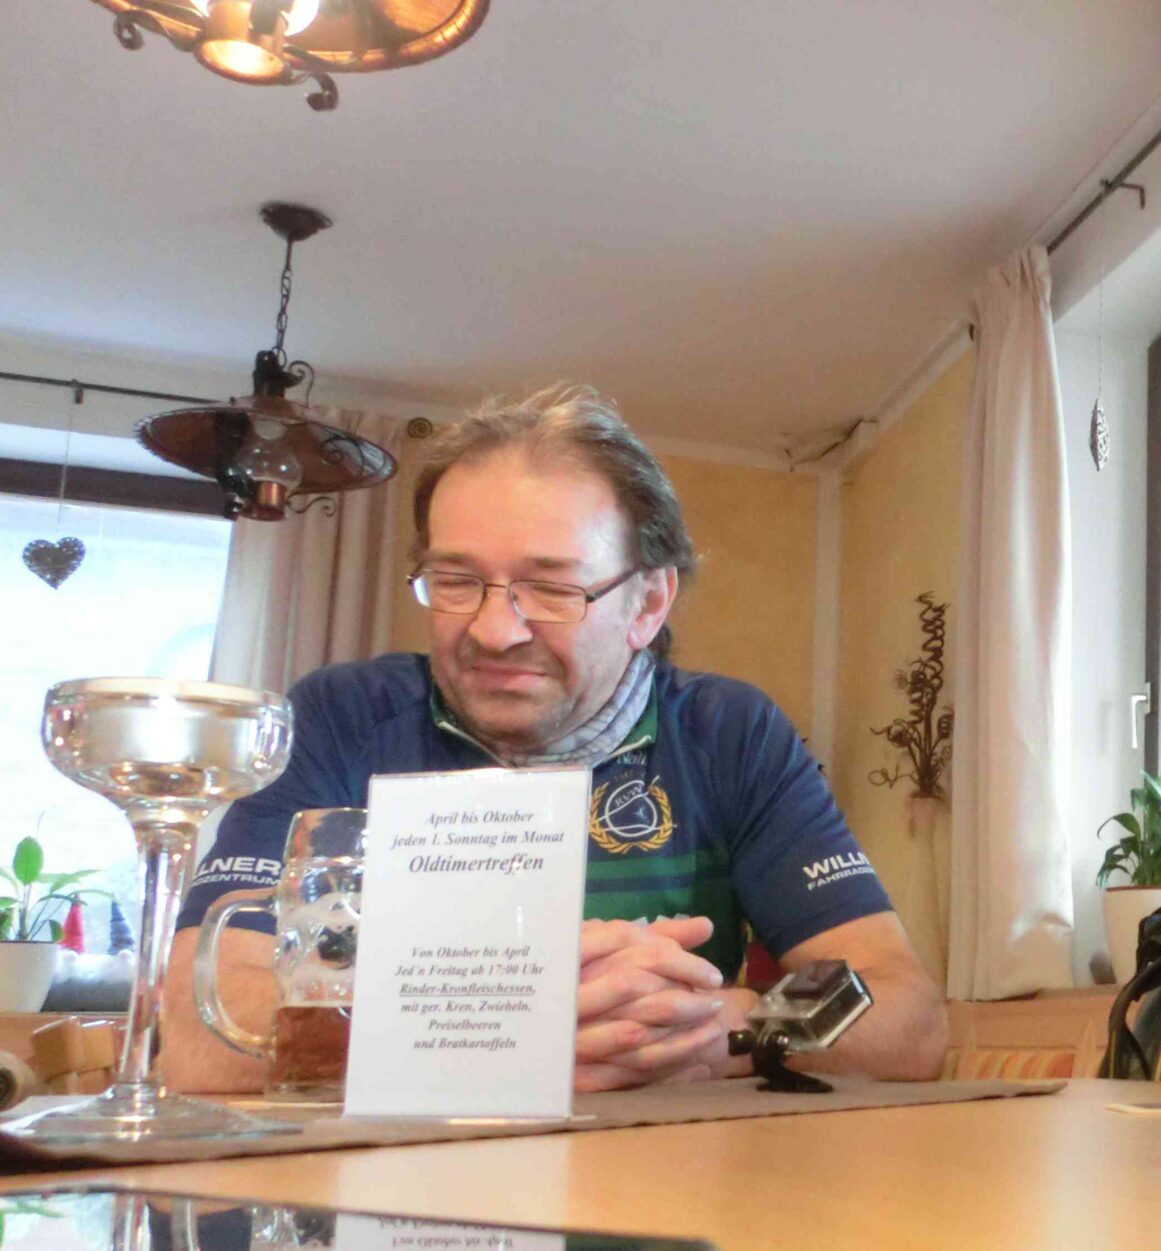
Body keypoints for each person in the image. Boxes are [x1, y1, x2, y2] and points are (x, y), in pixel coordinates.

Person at [169, 383, 947, 1092]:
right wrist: (503, 1027)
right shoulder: (339, 718)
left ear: (648, 603)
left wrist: (721, 1026)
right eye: (456, 580)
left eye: (550, 588)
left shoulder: (731, 733)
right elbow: (195, 1033)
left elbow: (906, 1016)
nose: (494, 630)